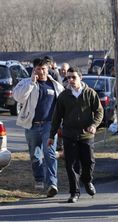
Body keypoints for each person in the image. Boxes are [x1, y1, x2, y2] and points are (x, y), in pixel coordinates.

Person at [48, 66, 104, 203]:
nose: (70, 80)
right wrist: (51, 135)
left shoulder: (90, 93)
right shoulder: (63, 96)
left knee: (89, 162)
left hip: (86, 135)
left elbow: (99, 112)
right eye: (68, 78)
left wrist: (94, 125)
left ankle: (87, 180)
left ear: (80, 77)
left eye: (73, 77)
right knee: (71, 165)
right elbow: (56, 117)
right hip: (69, 135)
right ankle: (74, 193)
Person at [12, 58, 64, 197]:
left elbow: (63, 105)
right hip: (32, 125)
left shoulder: (56, 86)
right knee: (35, 155)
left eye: (44, 69)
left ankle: (52, 183)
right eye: (38, 69)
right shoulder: (25, 83)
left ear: (48, 70)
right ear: (34, 70)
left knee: (50, 154)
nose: (41, 72)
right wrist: (31, 83)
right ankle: (39, 178)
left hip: (49, 125)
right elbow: (18, 97)